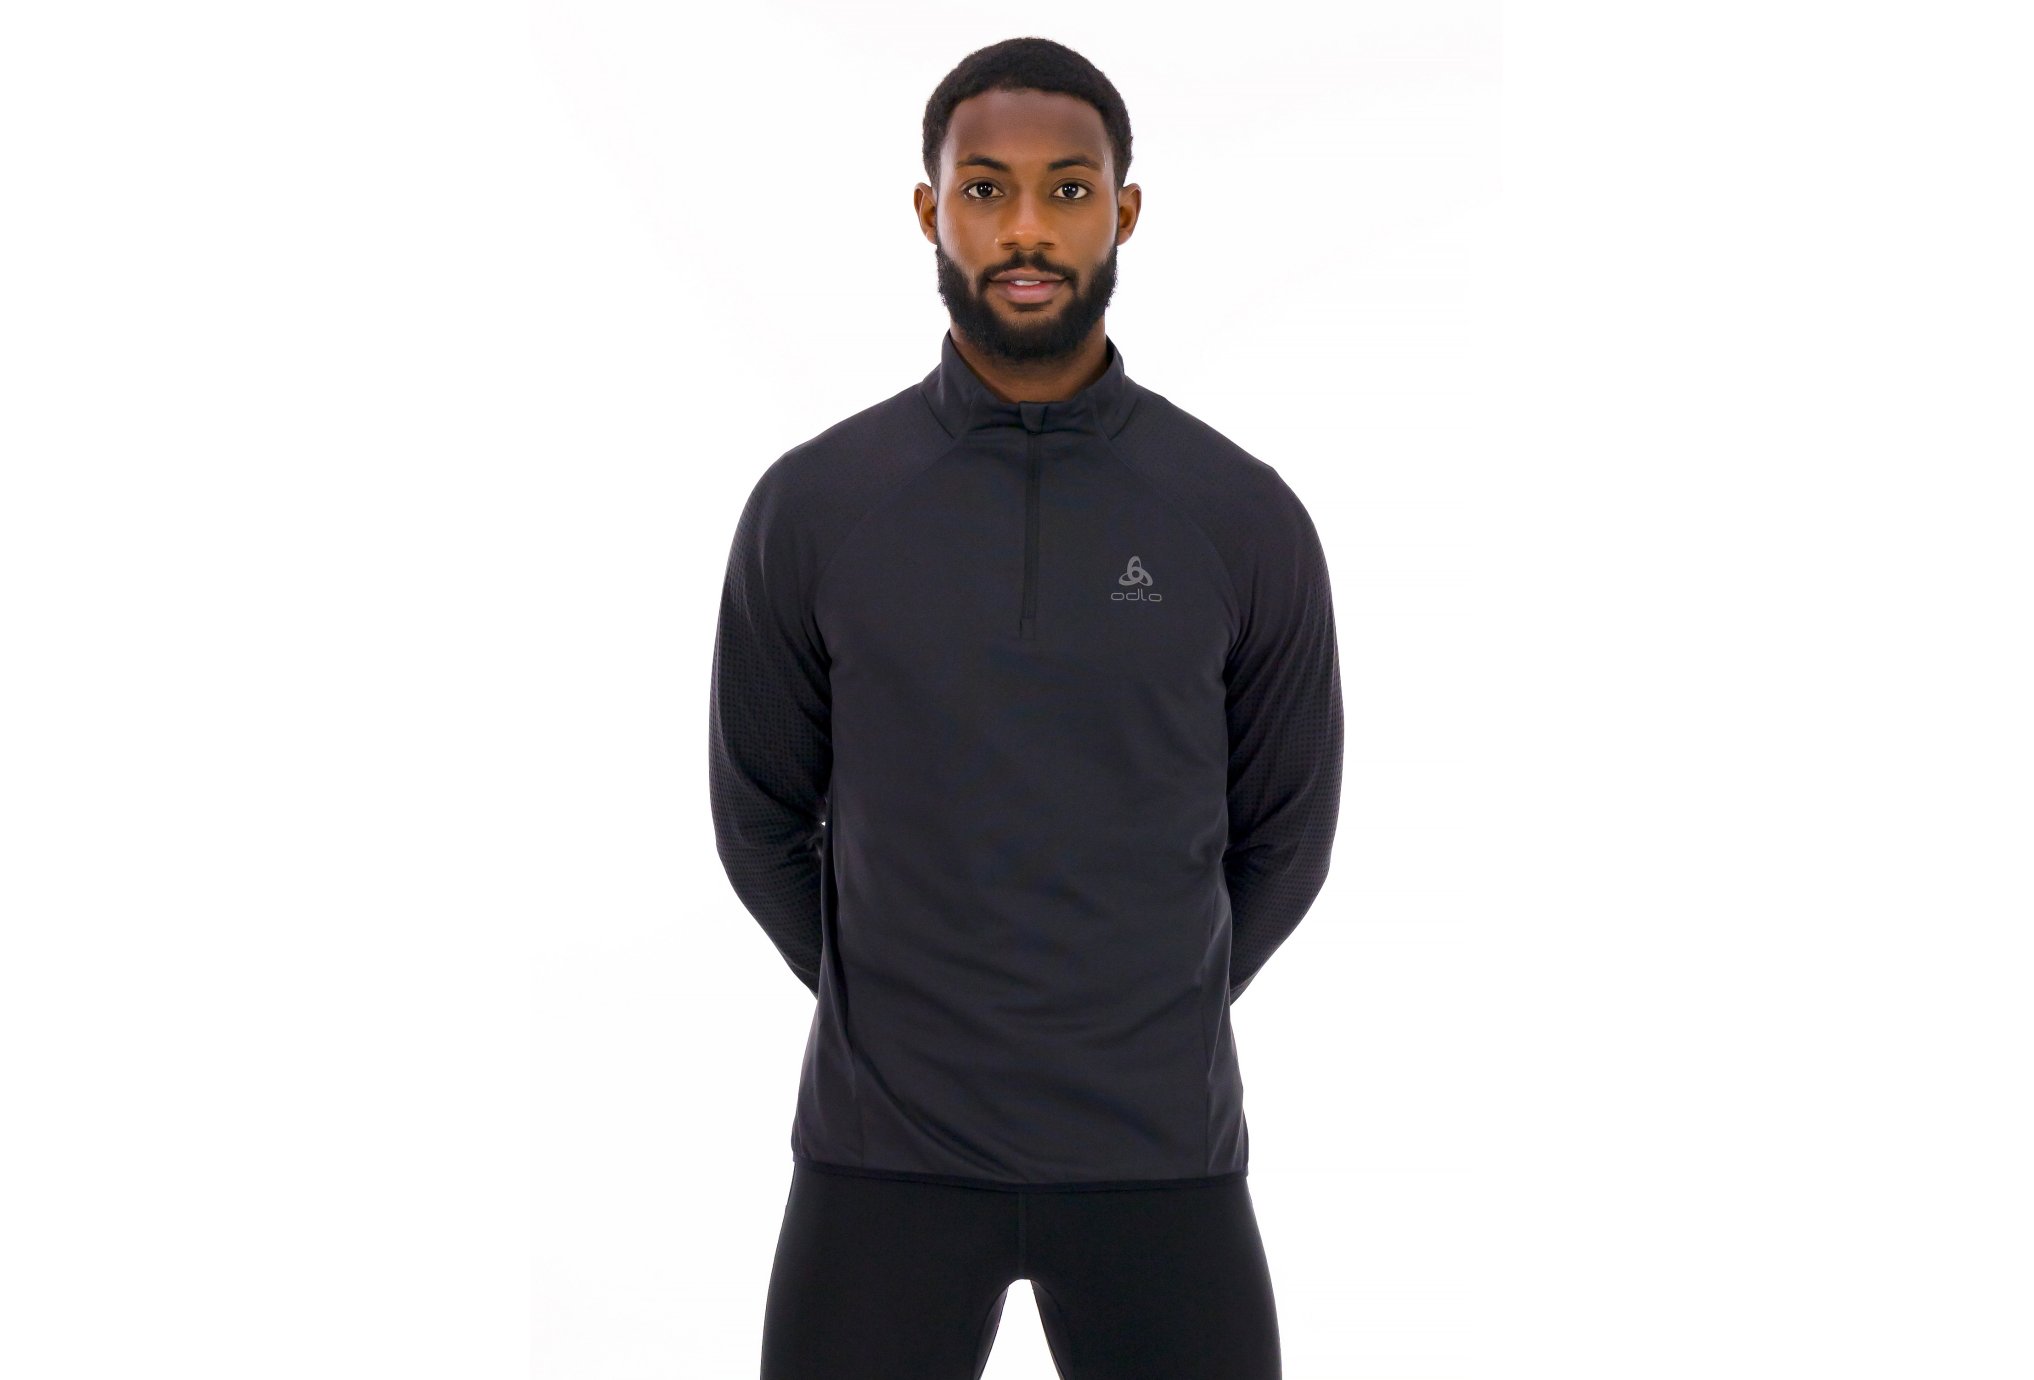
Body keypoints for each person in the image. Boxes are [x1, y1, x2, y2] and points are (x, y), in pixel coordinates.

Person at [708, 35, 1343, 1380]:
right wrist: (904, 1005)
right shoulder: (814, 506)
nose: (1026, 229)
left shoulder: (1240, 516)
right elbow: (760, 817)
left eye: (1068, 189)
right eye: (986, 188)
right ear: (930, 209)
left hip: (1156, 1160)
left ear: (1124, 210)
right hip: (880, 1162)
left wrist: (1139, 1001)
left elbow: (1286, 838)